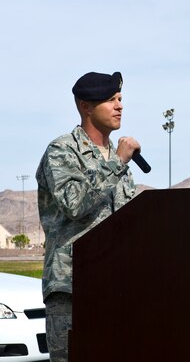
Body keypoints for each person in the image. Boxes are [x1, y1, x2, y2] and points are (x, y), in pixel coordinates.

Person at [36, 71, 139, 362]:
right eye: (110, 100)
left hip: (117, 288)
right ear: (86, 106)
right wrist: (118, 163)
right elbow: (75, 203)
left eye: (120, 99)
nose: (120, 106)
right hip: (73, 289)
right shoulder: (62, 151)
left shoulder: (116, 159)